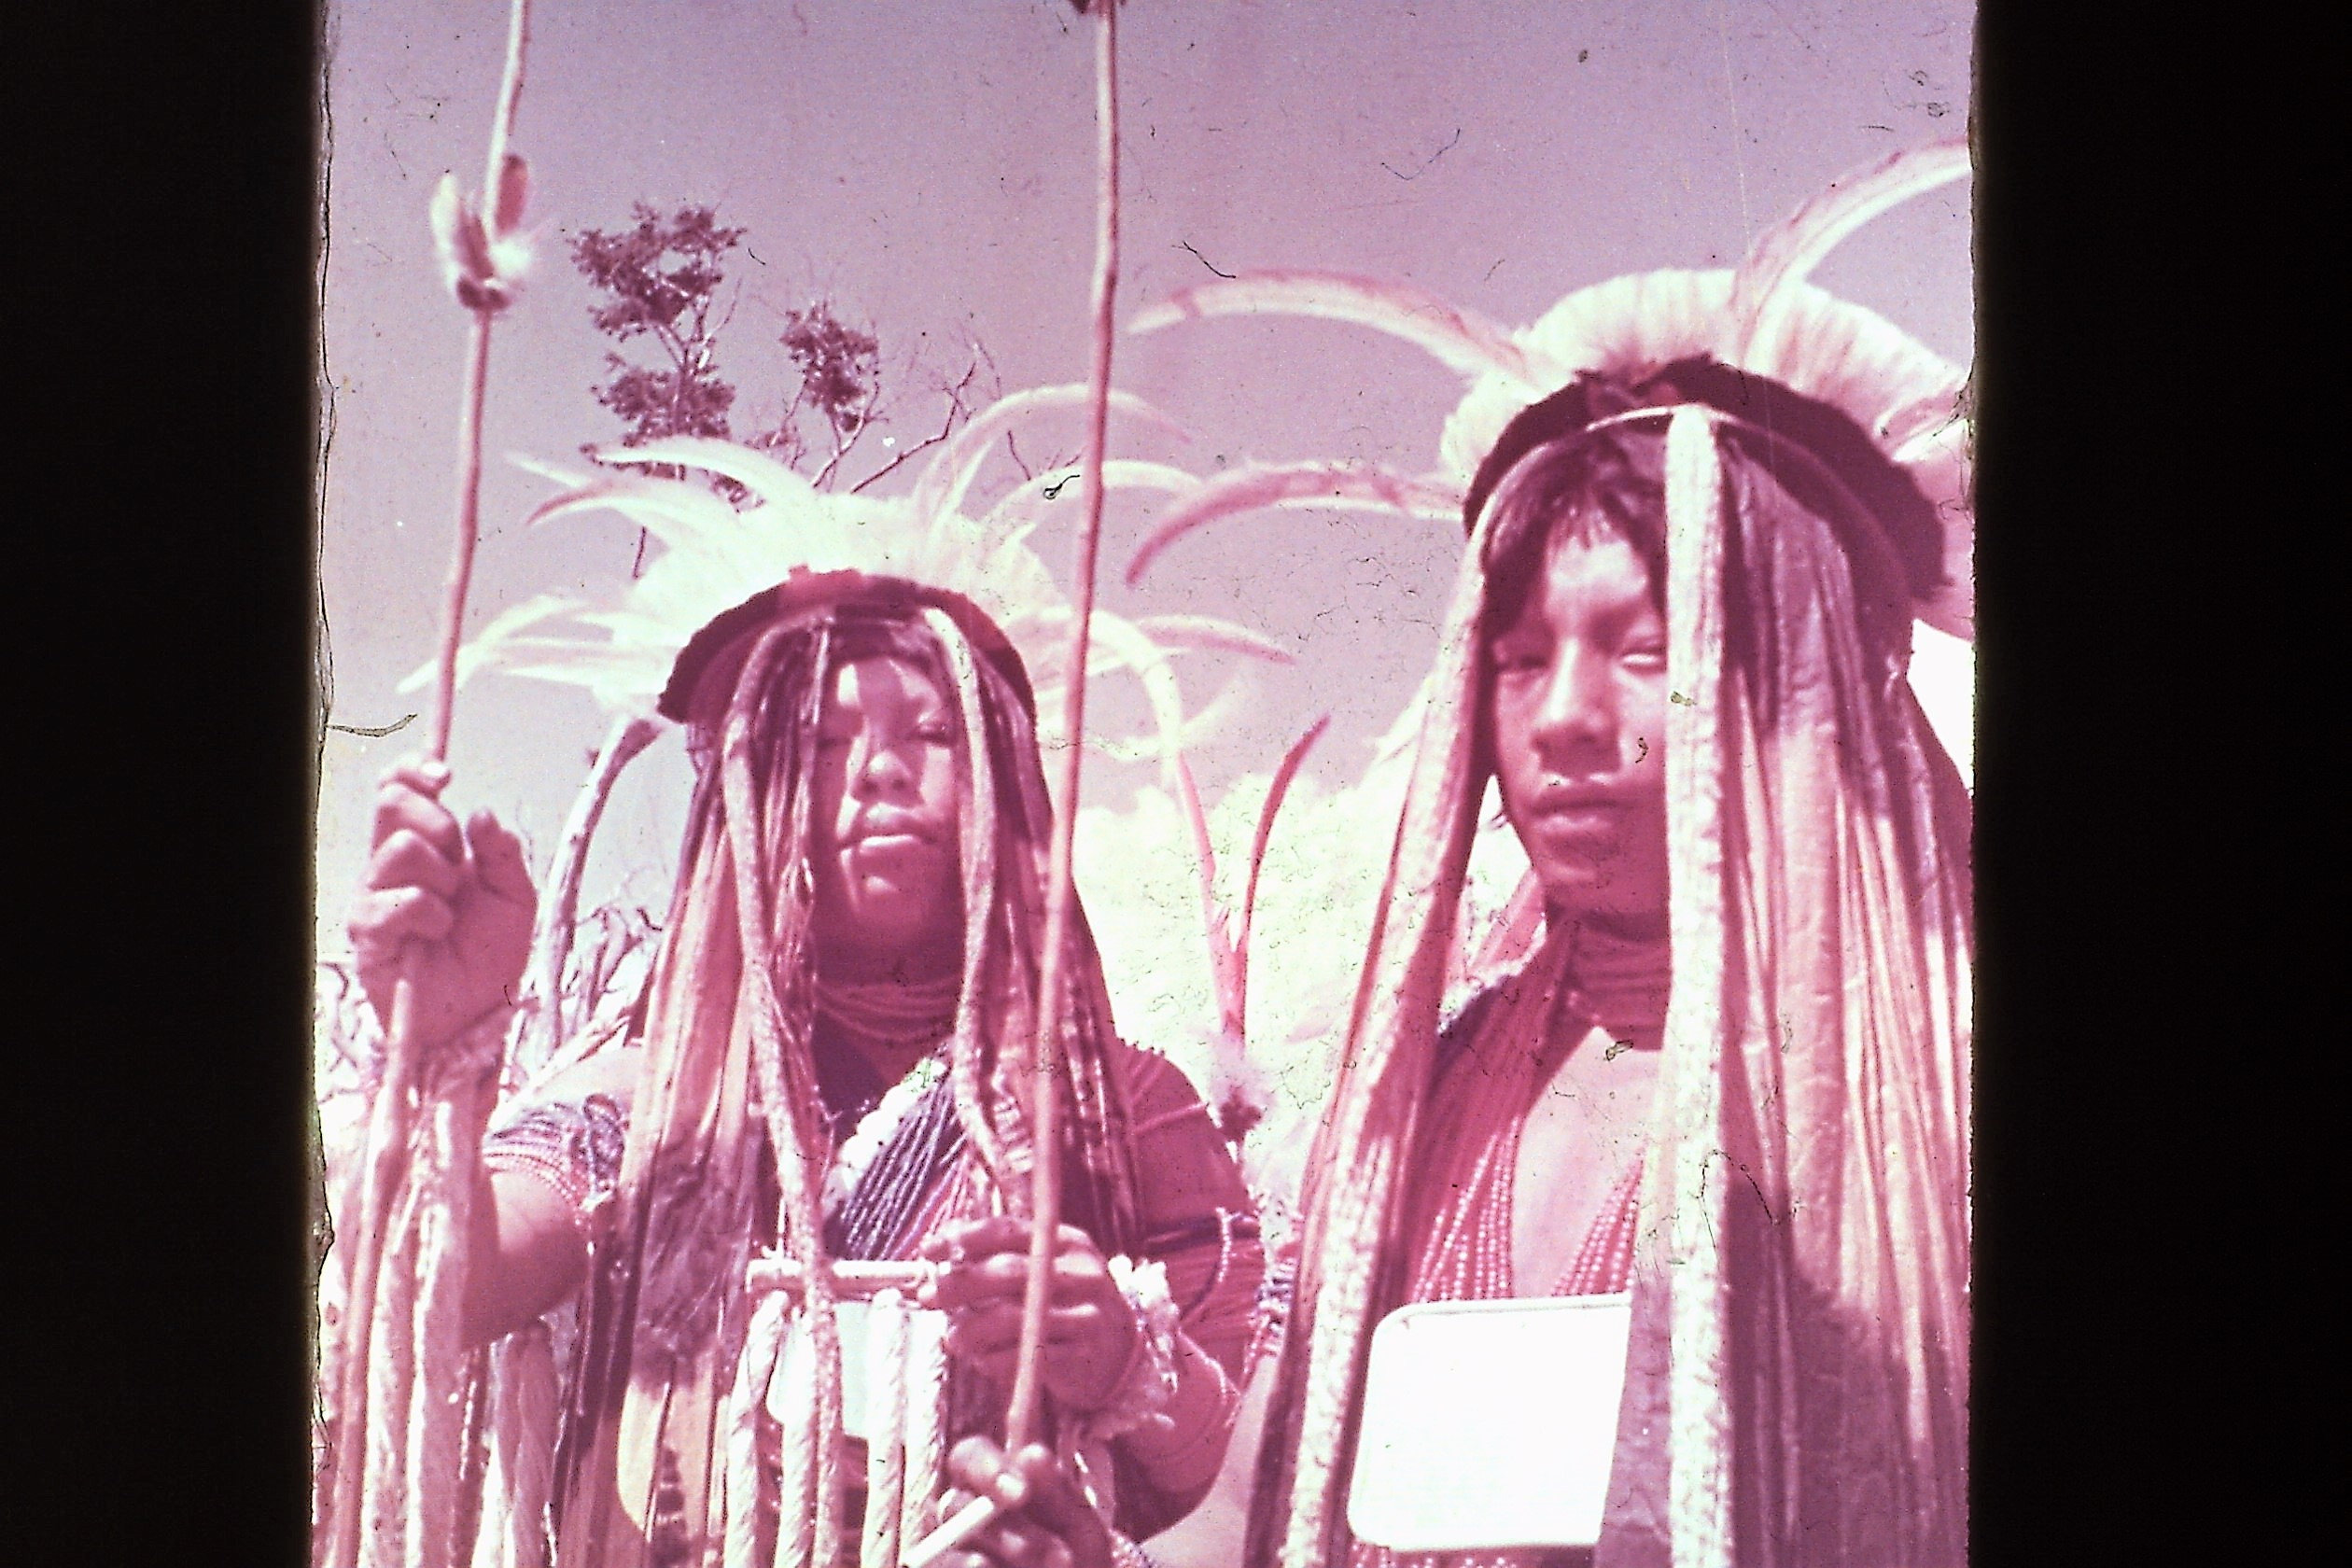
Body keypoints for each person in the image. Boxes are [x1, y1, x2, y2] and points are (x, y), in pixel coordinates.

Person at [346, 572, 1263, 1566]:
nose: (881, 772)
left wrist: (1126, 1357)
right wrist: (437, 1061)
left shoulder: (1122, 1112)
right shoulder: (652, 1101)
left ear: (1006, 790)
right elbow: (437, 1291)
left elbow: (1243, 1462)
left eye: (935, 735)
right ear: (750, 800)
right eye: (822, 744)